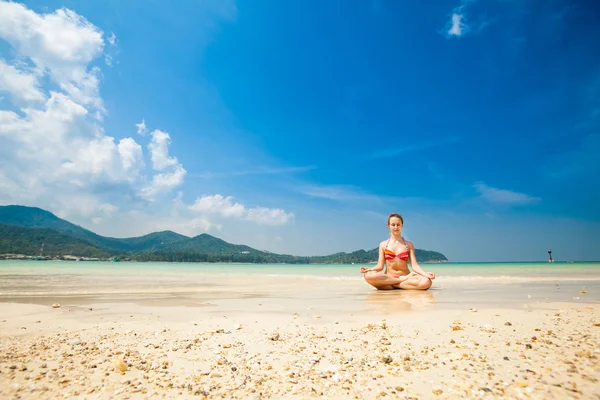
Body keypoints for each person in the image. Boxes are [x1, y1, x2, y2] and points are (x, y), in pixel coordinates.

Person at [360, 213, 435, 290]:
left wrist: (425, 274)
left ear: (402, 225)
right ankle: (398, 282)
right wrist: (370, 270)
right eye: (393, 225)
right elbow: (380, 266)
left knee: (426, 282)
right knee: (368, 275)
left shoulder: (408, 244)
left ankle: (395, 285)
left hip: (406, 277)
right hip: (389, 277)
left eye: (398, 224)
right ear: (388, 226)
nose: (396, 227)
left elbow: (415, 266)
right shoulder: (383, 244)